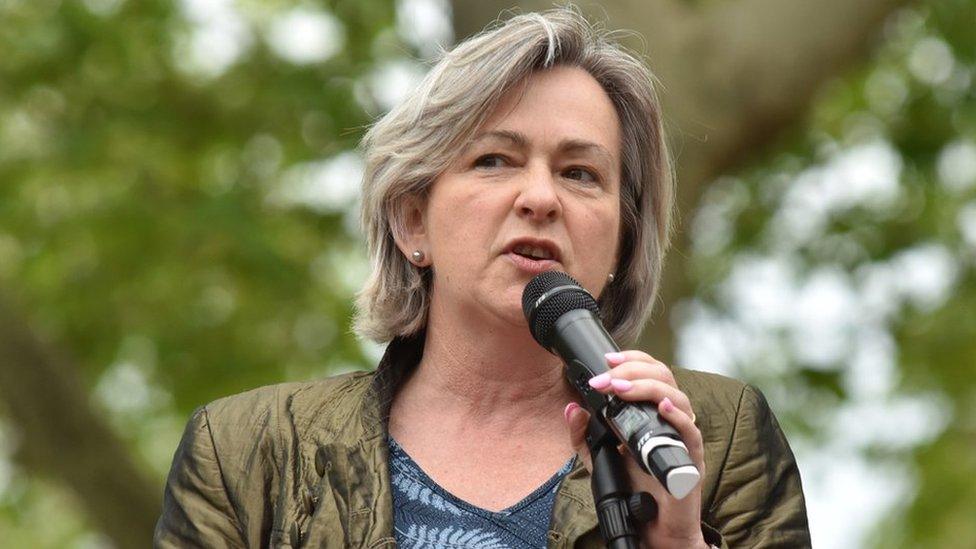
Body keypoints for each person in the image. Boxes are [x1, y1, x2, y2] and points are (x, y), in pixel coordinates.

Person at [155, 8, 810, 548]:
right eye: (495, 159)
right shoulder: (249, 451)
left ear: (623, 237)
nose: (540, 197)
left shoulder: (715, 440)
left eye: (580, 173)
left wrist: (678, 543)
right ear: (414, 222)